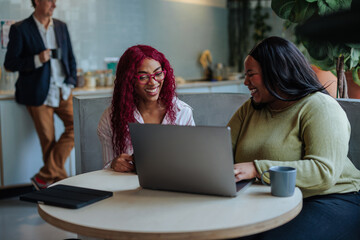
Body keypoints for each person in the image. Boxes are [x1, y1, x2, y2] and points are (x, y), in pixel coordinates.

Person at [227, 36, 360, 239]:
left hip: (331, 197)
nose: (245, 82)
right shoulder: (250, 109)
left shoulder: (320, 107)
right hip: (270, 197)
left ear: (276, 73)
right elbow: (222, 151)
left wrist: (256, 168)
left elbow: (323, 172)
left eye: (251, 74)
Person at [4, 0, 77, 190]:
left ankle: (44, 177)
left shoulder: (61, 26)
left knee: (76, 128)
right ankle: (60, 186)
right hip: (37, 94)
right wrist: (37, 59)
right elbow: (10, 63)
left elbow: (70, 57)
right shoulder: (20, 29)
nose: (54, 4)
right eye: (50, 0)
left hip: (62, 91)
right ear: (37, 1)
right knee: (48, 141)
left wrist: (70, 81)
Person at [97, 45, 195, 172]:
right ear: (128, 81)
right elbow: (107, 167)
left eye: (158, 74)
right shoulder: (111, 118)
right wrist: (113, 165)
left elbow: (193, 161)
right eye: (143, 77)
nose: (153, 82)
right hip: (127, 188)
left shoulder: (182, 112)